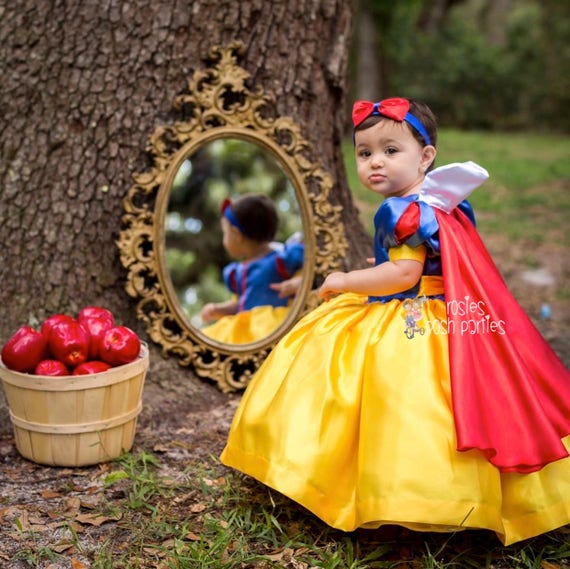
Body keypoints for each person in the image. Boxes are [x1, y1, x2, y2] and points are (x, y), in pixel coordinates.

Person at [220, 97, 570, 544]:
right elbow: (426, 263)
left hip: (410, 315)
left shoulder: (400, 211)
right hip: (445, 310)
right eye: (364, 153)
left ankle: (401, 492)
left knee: (392, 393)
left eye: (390, 150)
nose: (375, 163)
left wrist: (348, 279)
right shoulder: (439, 203)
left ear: (425, 157)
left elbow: (402, 275)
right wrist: (385, 265)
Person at [200, 193, 304, 344]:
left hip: (271, 325)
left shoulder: (280, 259)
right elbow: (242, 303)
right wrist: (218, 309)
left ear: (236, 235)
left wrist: (299, 283)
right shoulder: (239, 271)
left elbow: (315, 267)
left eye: (225, 232)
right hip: (244, 328)